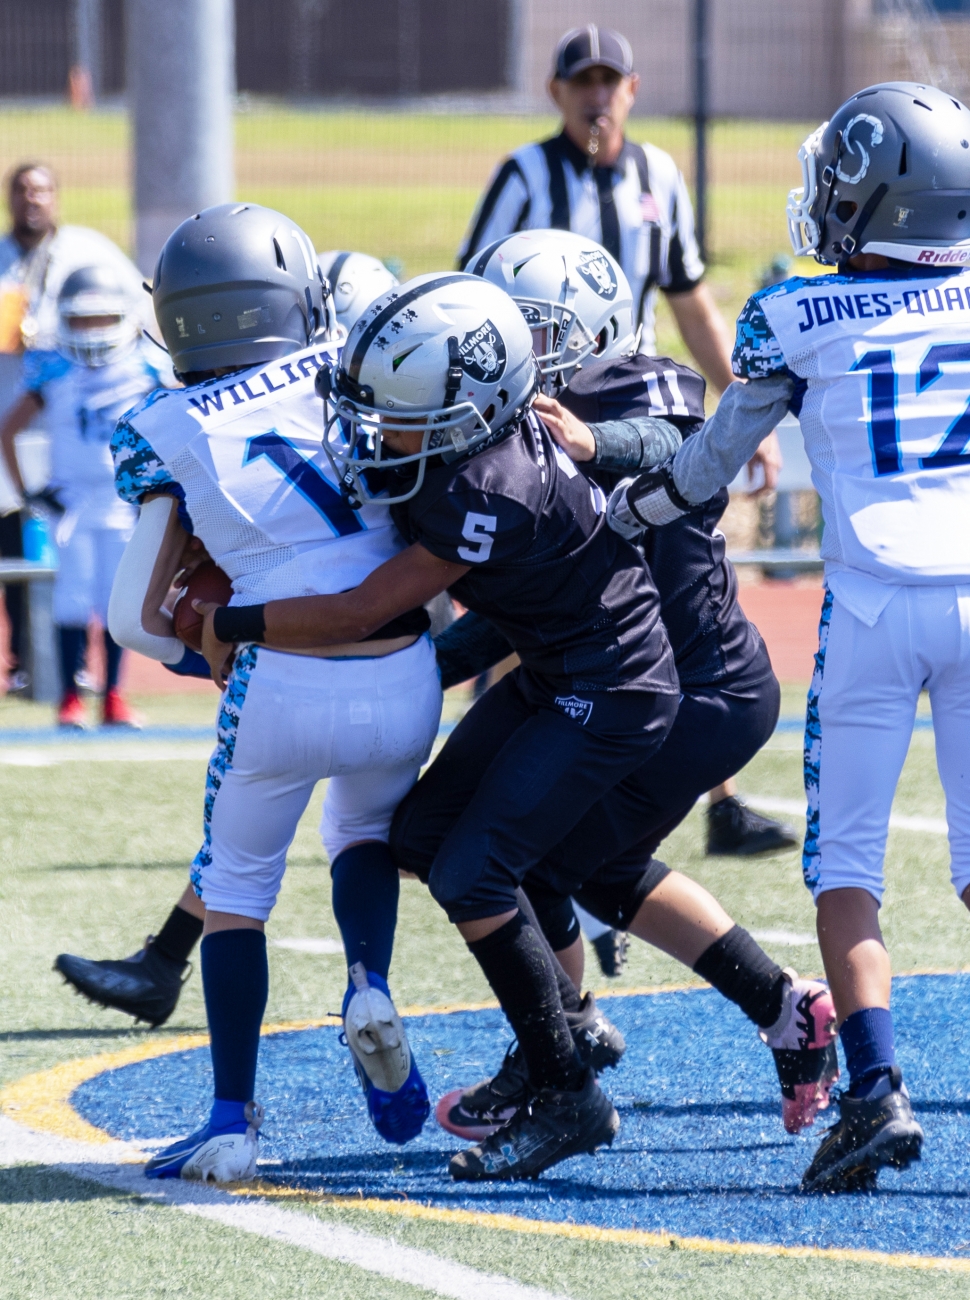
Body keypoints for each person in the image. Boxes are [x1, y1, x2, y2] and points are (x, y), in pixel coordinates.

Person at [195, 270, 683, 1182]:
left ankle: (566, 1084)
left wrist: (227, 626)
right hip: (556, 665)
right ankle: (565, 1028)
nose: (375, 430)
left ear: (473, 408)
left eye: (401, 411)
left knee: (471, 870)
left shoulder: (485, 486)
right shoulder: (479, 444)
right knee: (417, 833)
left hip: (610, 686)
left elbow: (363, 609)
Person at [392, 231, 836, 1142]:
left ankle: (559, 1053)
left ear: (590, 331)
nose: (514, 349)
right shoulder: (528, 422)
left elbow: (671, 439)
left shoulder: (639, 390)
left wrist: (595, 442)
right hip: (625, 672)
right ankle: (770, 1010)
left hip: (693, 683)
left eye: (534, 329)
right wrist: (427, 660)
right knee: (560, 860)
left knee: (534, 862)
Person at [606, 81, 970, 1191]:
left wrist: (636, 510)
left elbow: (711, 464)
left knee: (844, 868)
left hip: (869, 606)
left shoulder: (797, 313)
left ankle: (874, 1089)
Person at [106, 205, 443, 1182]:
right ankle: (367, 981)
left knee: (239, 895)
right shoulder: (353, 368)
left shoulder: (163, 425)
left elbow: (133, 618)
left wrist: (200, 651)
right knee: (363, 837)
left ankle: (230, 1122)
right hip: (403, 666)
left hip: (277, 679)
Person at [459, 24, 793, 859]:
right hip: (547, 402)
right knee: (534, 576)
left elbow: (689, 297)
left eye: (611, 81)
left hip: (636, 397)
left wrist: (735, 417)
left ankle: (720, 795)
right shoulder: (524, 177)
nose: (597, 95)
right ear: (557, 92)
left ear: (634, 90)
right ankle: (509, 754)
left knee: (686, 573)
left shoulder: (660, 176)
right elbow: (474, 294)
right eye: (583, 82)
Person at [0, 265, 169, 726]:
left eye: (102, 318)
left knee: (117, 600)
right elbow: (8, 428)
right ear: (64, 320)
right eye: (81, 319)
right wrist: (30, 492)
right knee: (71, 601)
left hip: (123, 501)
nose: (93, 330)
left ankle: (113, 693)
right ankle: (69, 698)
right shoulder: (52, 366)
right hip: (70, 503)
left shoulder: (146, 365)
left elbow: (177, 426)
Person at [0, 163, 145, 692]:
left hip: (91, 450)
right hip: (29, 412)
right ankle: (26, 667)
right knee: (23, 549)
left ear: (56, 196)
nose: (32, 199)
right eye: (22, 190)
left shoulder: (91, 252)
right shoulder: (2, 259)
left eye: (41, 189)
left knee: (109, 586)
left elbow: (137, 309)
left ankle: (97, 685)